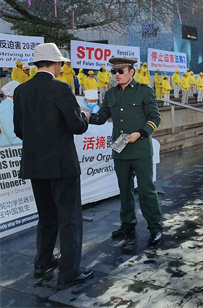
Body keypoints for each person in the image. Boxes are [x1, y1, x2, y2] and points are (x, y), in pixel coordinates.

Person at [13, 43, 93, 290]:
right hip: (62, 165)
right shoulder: (61, 88)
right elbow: (77, 126)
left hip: (35, 164)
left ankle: (43, 262)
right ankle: (69, 273)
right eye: (61, 64)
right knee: (69, 218)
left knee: (46, 217)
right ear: (56, 64)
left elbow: (19, 130)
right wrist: (85, 117)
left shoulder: (21, 91)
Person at [89, 57, 163, 245]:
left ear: (132, 71)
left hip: (140, 148)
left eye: (120, 71)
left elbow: (155, 117)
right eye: (114, 71)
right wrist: (85, 116)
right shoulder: (111, 94)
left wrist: (140, 133)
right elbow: (101, 117)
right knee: (124, 189)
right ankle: (127, 224)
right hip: (120, 149)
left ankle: (155, 227)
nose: (116, 75)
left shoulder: (144, 91)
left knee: (146, 189)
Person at [0, 81, 22, 146]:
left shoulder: (12, 104)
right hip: (10, 147)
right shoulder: (6, 108)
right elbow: (10, 133)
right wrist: (21, 145)